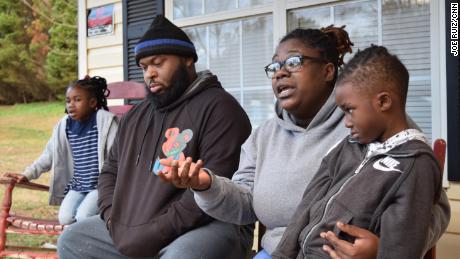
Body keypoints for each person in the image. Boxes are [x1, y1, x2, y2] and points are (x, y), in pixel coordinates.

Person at [158, 27, 451, 259]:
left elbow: (431, 207)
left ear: (327, 71)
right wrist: (205, 184)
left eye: (294, 62)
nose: (281, 72)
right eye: (274, 67)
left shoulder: (373, 122)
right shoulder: (263, 136)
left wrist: (382, 249)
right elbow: (245, 204)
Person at [57, 15, 253, 259]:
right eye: (144, 67)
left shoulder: (221, 109)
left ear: (188, 59)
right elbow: (109, 172)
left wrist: (148, 235)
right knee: (73, 240)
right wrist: (111, 218)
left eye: (158, 63)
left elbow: (213, 194)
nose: (149, 73)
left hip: (210, 225)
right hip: (136, 225)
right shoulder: (136, 116)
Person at [271, 45, 448, 259]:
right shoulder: (348, 146)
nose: (346, 122)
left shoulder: (414, 163)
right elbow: (307, 205)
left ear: (383, 101)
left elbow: (403, 247)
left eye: (350, 110)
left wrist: (376, 254)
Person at [3, 76, 118, 225]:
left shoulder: (105, 121)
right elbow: (48, 155)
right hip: (78, 186)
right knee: (65, 218)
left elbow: (119, 153)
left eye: (77, 100)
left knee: (83, 217)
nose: (71, 105)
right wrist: (27, 174)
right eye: (68, 100)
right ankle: (80, 240)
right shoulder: (64, 126)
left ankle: (96, 238)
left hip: (100, 186)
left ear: (92, 103)